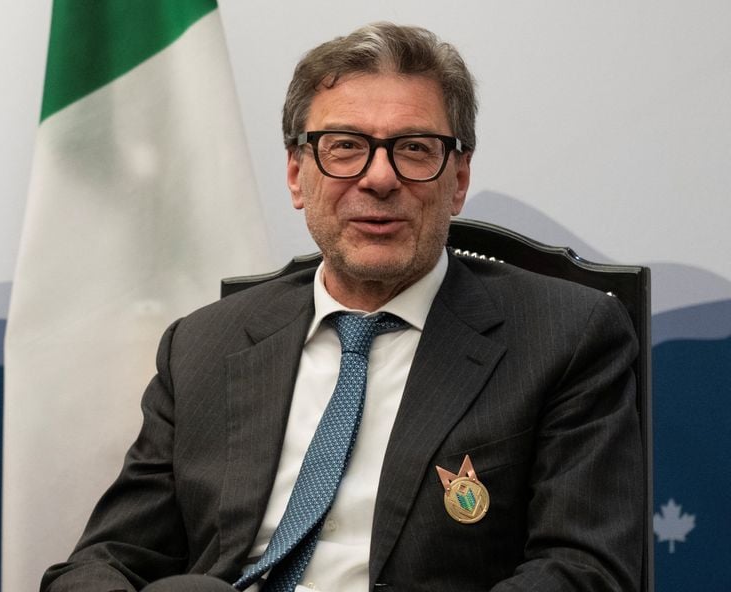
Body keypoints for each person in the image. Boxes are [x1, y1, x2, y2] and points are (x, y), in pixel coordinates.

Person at [41, 22, 642, 592]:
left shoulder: (566, 337)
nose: (379, 178)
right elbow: (106, 559)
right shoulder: (201, 346)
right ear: (296, 175)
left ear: (458, 179)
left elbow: (582, 570)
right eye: (346, 146)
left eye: (414, 148)